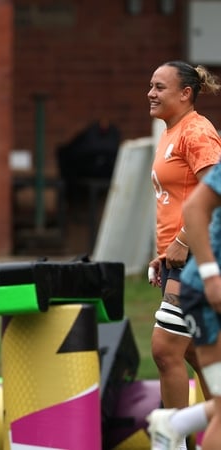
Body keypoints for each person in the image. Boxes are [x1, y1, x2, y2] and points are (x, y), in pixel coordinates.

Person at [145, 60, 221, 450]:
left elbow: (214, 197)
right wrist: (165, 252)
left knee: (165, 348)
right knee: (194, 352)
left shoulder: (197, 132)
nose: (151, 93)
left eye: (160, 87)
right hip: (177, 258)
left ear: (186, 93)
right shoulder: (172, 132)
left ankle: (170, 440)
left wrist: (185, 242)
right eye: (151, 86)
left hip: (197, 258)